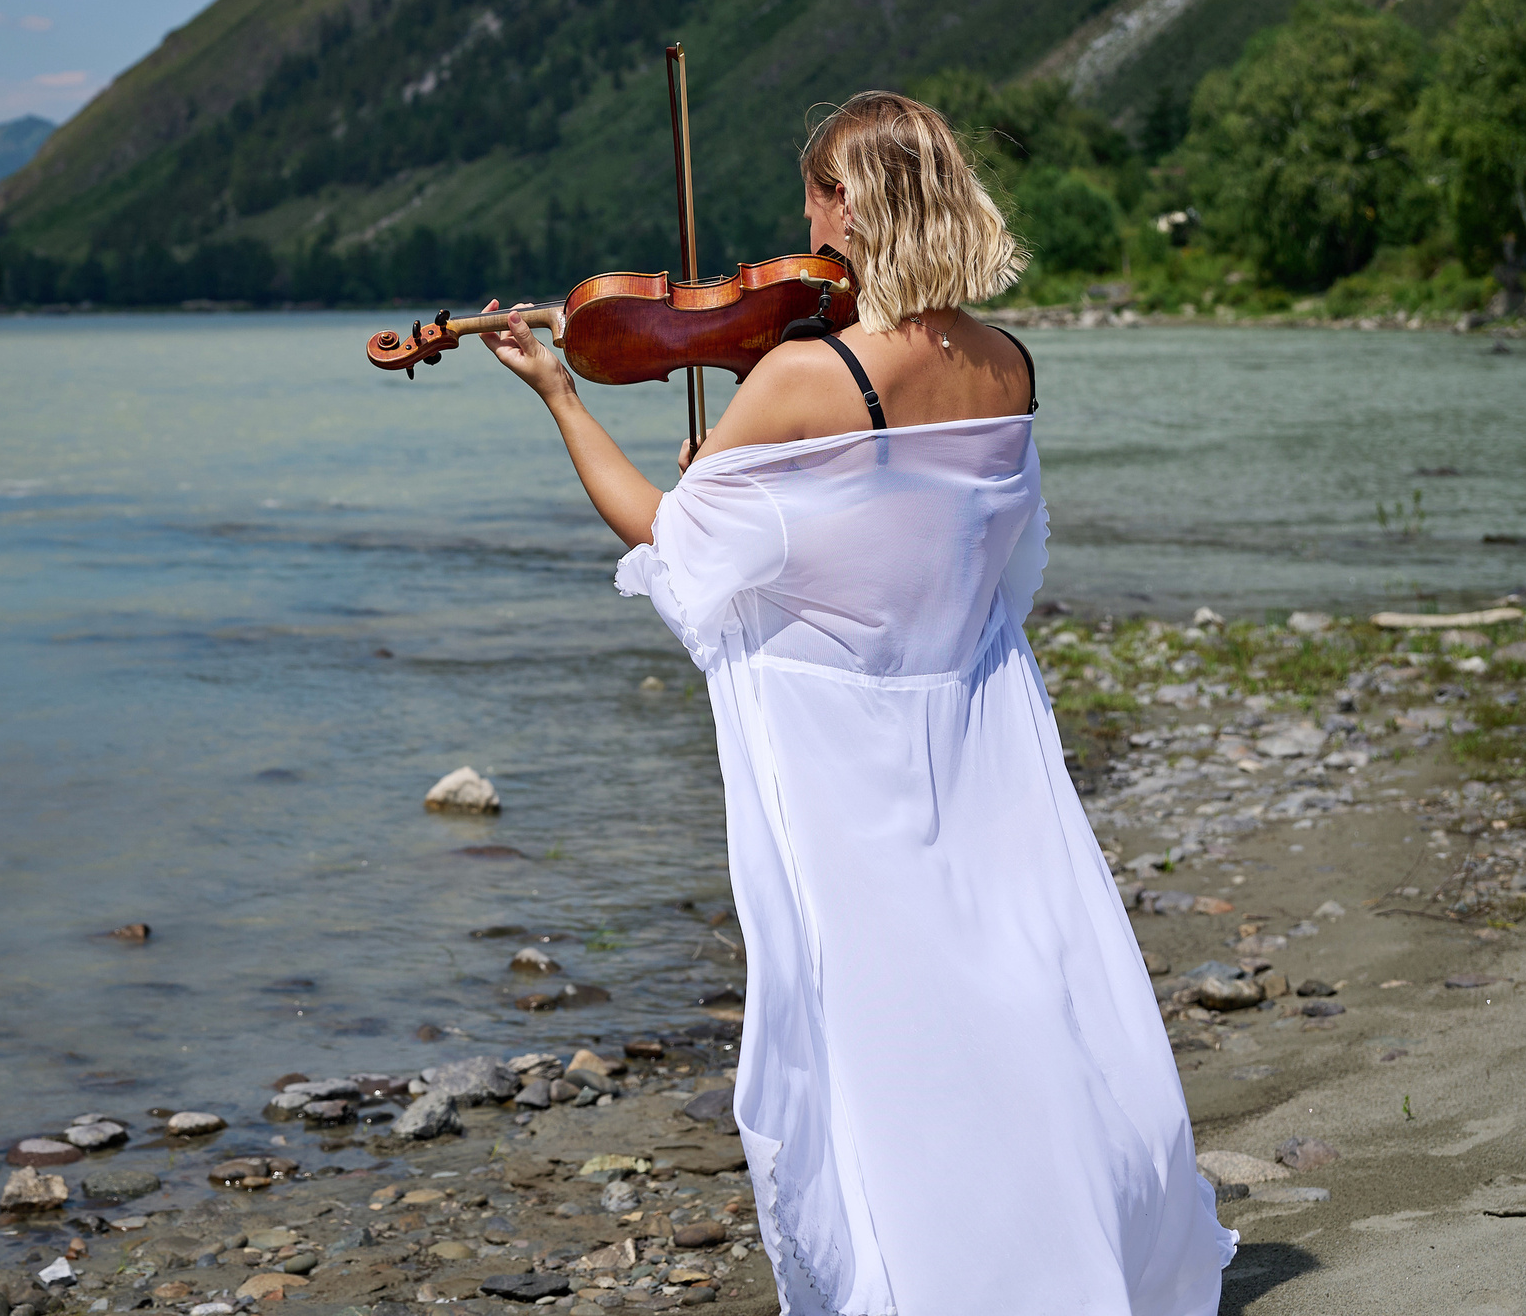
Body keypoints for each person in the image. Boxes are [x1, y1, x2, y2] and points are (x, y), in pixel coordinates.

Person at [478, 90, 1234, 1315]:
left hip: (855, 755)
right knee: (1021, 989)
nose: (803, 218)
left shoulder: (801, 376)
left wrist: (561, 396)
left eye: (817, 192)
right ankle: (1080, 1244)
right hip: (979, 723)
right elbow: (979, 556)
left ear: (855, 205)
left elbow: (672, 546)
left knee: (896, 1028)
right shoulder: (1008, 363)